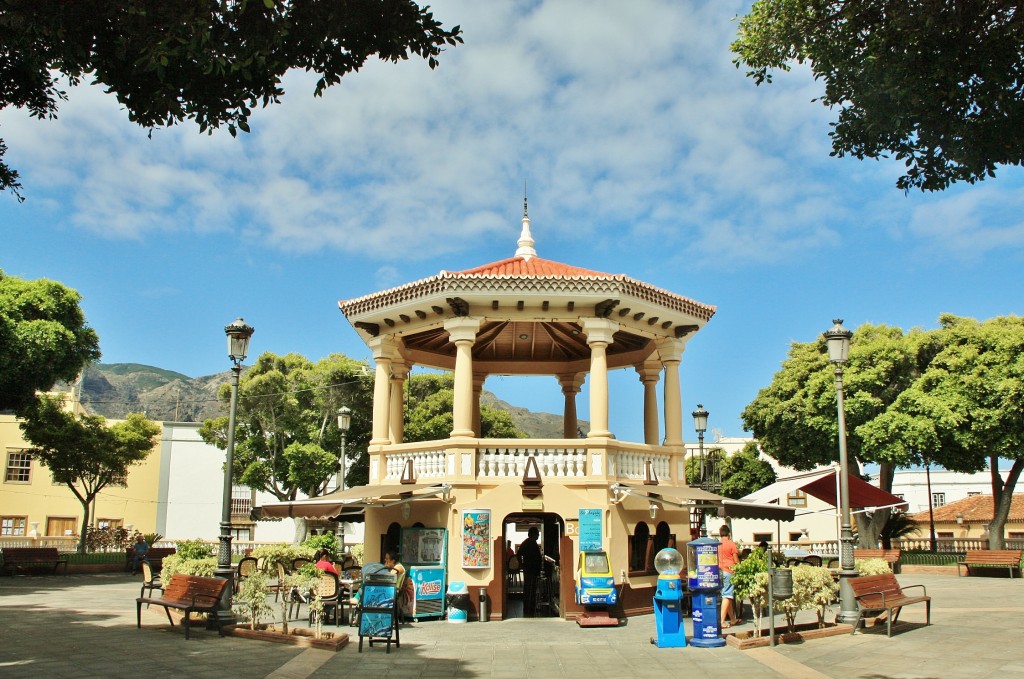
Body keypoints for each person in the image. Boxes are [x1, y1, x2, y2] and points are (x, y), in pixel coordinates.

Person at [517, 527, 542, 617]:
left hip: (533, 570)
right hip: (530, 570)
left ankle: (531, 606)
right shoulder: (527, 543)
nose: (538, 536)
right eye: (537, 534)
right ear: (533, 534)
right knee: (529, 589)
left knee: (532, 589)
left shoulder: (532, 543)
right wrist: (522, 565)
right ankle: (528, 608)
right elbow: (519, 554)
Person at [718, 524, 740, 628]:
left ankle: (732, 619)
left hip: (719, 571)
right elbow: (736, 560)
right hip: (729, 571)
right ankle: (722, 621)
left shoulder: (717, 544)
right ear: (729, 534)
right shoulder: (731, 544)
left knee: (727, 596)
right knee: (727, 596)